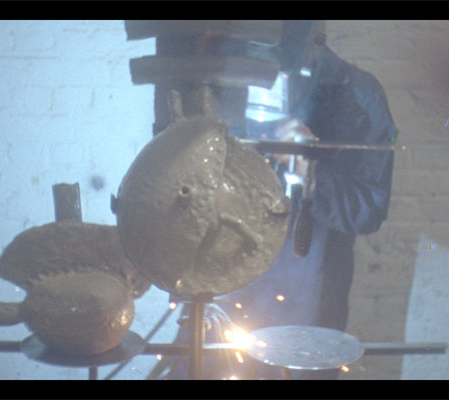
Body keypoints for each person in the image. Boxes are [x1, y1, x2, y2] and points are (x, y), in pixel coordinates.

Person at [164, 21, 396, 380]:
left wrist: (308, 171)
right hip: (224, 284)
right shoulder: (225, 76)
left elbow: (370, 210)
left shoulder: (357, 95)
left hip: (308, 296)